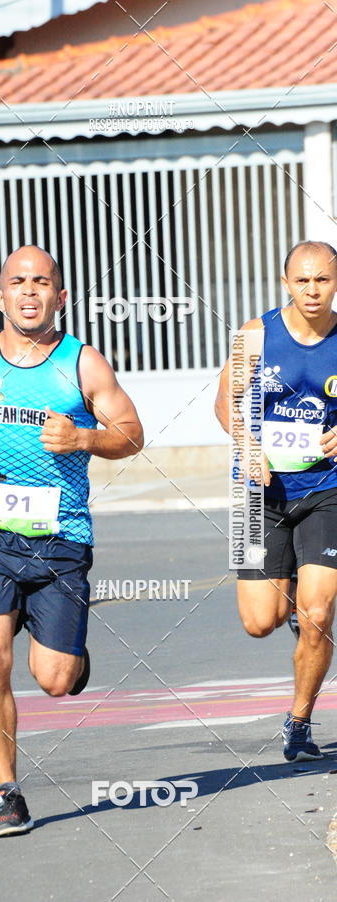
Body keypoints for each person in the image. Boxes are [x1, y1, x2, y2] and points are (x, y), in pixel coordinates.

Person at [0, 245, 143, 835]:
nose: (29, 291)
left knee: (55, 678)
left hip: (60, 539)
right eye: (18, 282)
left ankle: (67, 653)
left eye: (41, 282)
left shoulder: (83, 364)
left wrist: (84, 439)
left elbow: (131, 434)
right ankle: (6, 795)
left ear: (60, 296)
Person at [215, 240, 337, 762]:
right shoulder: (255, 335)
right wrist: (247, 445)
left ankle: (300, 722)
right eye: (302, 280)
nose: (312, 290)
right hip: (257, 493)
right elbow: (225, 402)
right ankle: (287, 606)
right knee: (259, 621)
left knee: (318, 614)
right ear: (285, 283)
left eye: (323, 280)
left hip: (327, 489)